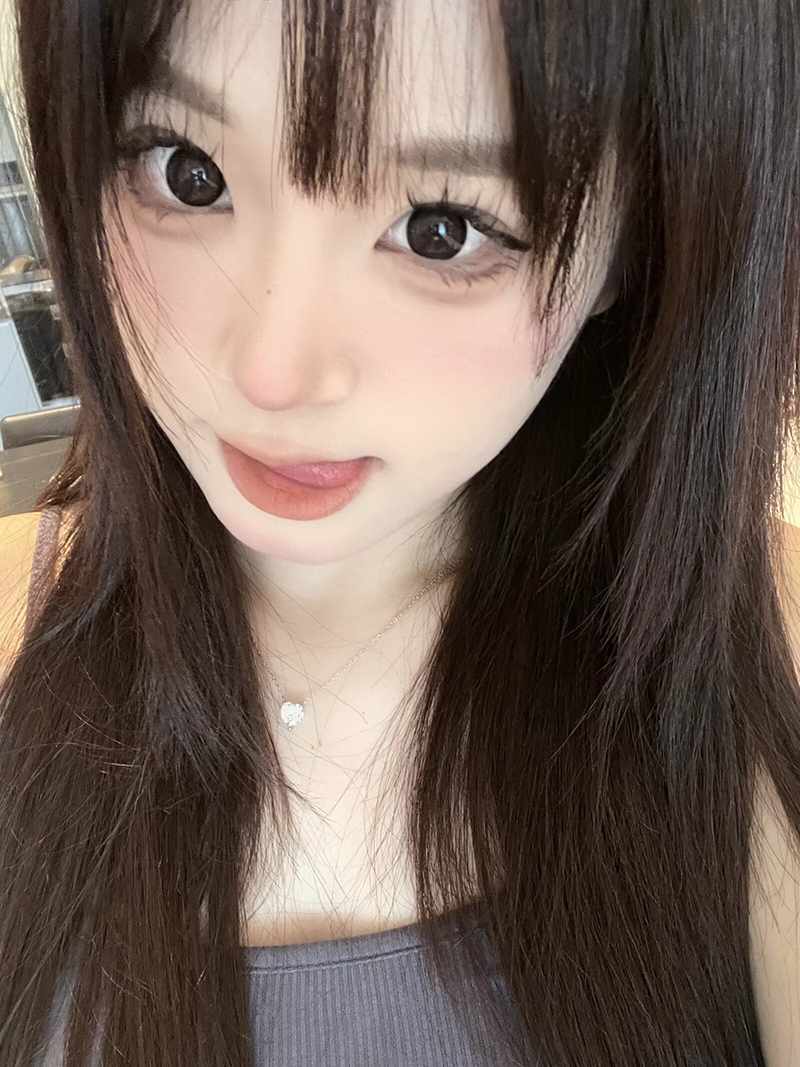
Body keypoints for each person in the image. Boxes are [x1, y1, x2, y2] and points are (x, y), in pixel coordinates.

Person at [0, 0, 798, 1063]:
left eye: (441, 228)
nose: (272, 372)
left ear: (632, 250)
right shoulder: (16, 636)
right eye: (186, 171)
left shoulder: (758, 644)